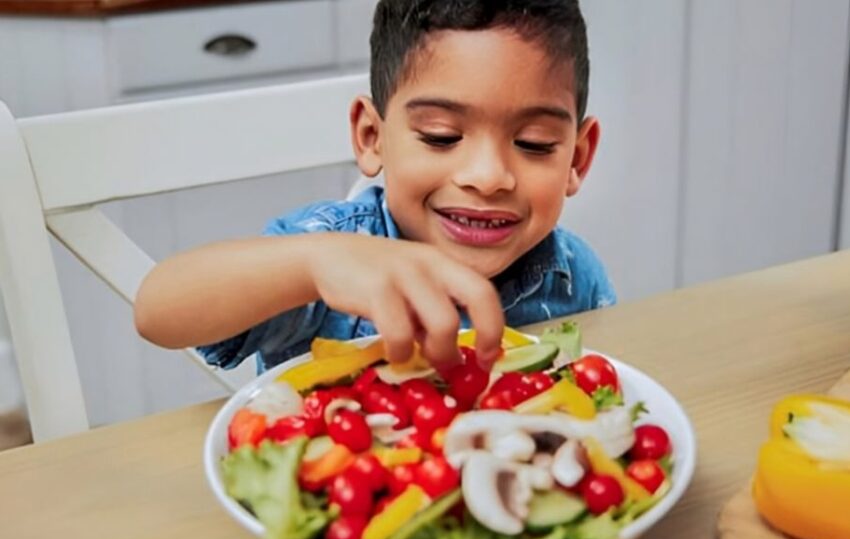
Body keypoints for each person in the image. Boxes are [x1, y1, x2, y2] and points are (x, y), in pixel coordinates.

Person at [133, 0, 615, 376]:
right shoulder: (330, 260)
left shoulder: (575, 274)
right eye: (440, 137)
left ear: (576, 157)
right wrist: (312, 265)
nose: (487, 177)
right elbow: (157, 310)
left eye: (535, 144)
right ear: (371, 137)